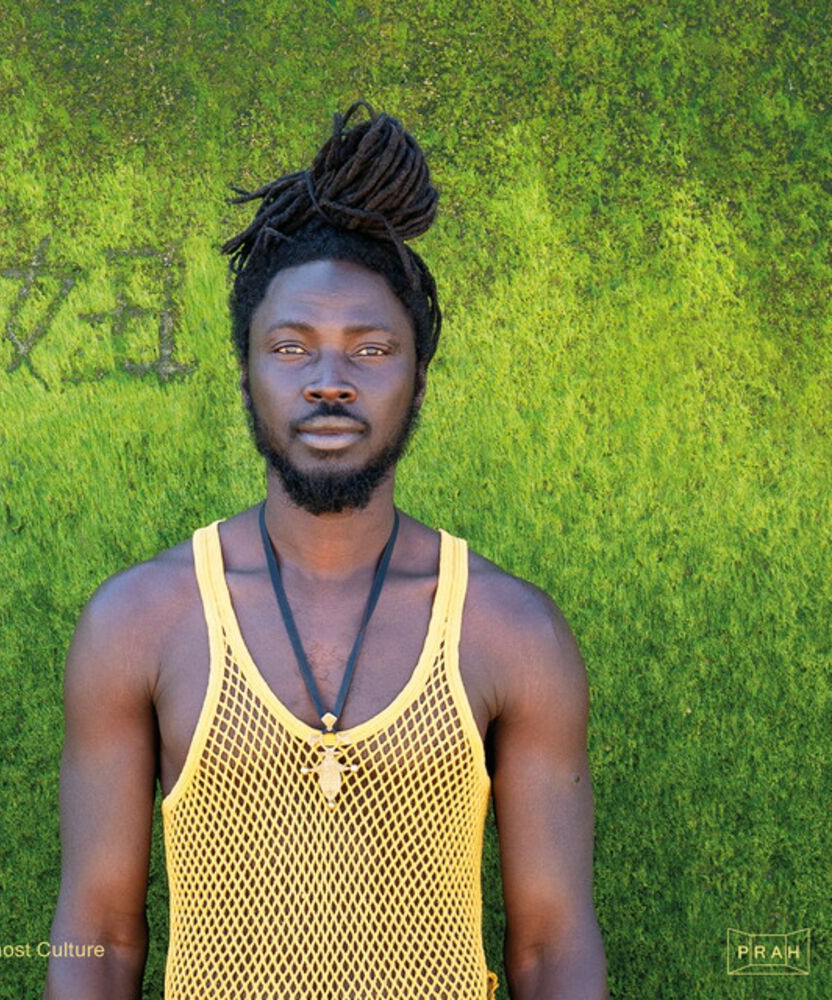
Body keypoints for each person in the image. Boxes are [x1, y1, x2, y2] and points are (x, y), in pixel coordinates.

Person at [44, 100, 609, 1000]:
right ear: (246, 374)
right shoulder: (140, 622)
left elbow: (551, 946)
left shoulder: (511, 633)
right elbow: (100, 936)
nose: (330, 382)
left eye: (371, 349)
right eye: (291, 347)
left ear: (418, 376)